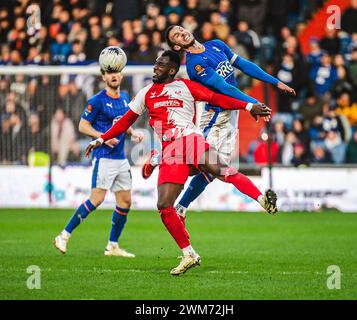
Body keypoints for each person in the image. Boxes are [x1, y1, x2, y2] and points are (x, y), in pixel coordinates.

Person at [85, 51, 276, 275]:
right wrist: (100, 138)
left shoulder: (185, 86)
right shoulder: (146, 93)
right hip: (170, 152)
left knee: (220, 169)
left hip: (190, 139)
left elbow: (217, 99)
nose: (155, 67)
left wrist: (248, 106)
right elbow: (126, 120)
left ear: (172, 70)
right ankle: (189, 254)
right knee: (164, 204)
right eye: (156, 63)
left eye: (160, 64)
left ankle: (262, 200)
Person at [143, 25, 295, 221]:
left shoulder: (216, 44)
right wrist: (252, 104)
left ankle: (182, 206)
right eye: (176, 36)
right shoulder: (194, 65)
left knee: (213, 169)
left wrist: (275, 82)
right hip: (215, 115)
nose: (182, 33)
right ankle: (160, 158)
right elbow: (224, 88)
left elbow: (244, 64)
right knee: (203, 163)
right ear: (177, 46)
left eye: (181, 30)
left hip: (231, 114)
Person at [54, 67, 144, 257]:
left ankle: (112, 245)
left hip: (121, 158)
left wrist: (133, 132)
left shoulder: (126, 96)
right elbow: (82, 125)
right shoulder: (96, 101)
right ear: (103, 77)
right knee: (97, 199)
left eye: (116, 72)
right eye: (109, 73)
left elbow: (123, 122)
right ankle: (64, 235)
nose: (113, 75)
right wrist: (103, 137)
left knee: (125, 201)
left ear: (121, 75)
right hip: (104, 157)